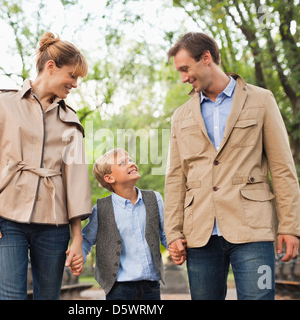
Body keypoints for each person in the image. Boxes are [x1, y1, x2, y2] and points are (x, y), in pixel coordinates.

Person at [0, 32, 92, 300]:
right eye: (72, 75)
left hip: (55, 224)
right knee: (11, 297)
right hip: (6, 220)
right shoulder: (2, 104)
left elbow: (77, 182)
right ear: (51, 67)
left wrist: (77, 237)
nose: (75, 84)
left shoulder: (71, 120)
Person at [164, 32, 300, 300]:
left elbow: (282, 168)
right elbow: (175, 178)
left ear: (206, 59)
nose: (183, 78)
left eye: (185, 69)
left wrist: (290, 226)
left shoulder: (261, 100)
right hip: (200, 233)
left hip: (253, 230)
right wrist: (174, 232)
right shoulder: (181, 116)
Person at [76, 148, 167, 300]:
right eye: (123, 163)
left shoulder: (154, 199)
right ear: (109, 178)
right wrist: (80, 257)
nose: (131, 164)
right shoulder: (101, 209)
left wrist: (176, 246)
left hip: (151, 285)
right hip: (119, 288)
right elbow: (86, 239)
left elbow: (165, 233)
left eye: (130, 160)